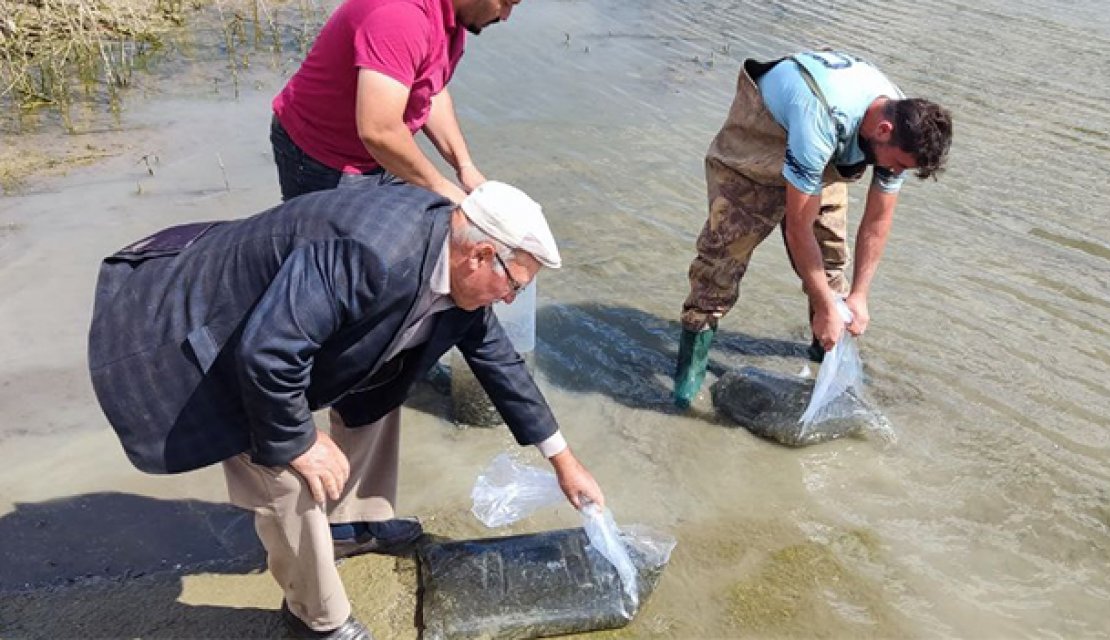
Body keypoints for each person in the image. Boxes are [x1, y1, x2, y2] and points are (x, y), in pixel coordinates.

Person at [88, 182, 604, 639]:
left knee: (383, 386)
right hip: (208, 330)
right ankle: (317, 618)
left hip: (276, 331)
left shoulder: (453, 266)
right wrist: (303, 442)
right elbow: (266, 353)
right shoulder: (373, 253)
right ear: (480, 255)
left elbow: (501, 365)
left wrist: (564, 461)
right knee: (286, 471)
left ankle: (350, 523)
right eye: (515, 284)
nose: (513, 299)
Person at [672, 50, 953, 409]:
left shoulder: (902, 126)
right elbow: (797, 229)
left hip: (822, 152)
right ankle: (687, 378)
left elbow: (878, 221)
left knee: (832, 263)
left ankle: (826, 357)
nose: (896, 172)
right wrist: (823, 306)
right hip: (761, 138)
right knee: (721, 260)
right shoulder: (820, 118)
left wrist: (860, 296)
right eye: (897, 165)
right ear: (884, 131)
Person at [270, 0, 524, 203]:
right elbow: (379, 131)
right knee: (326, 257)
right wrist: (439, 186)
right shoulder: (400, 16)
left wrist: (464, 166)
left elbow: (430, 90)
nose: (506, 16)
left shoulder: (453, 16)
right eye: (506, 3)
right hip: (320, 153)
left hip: (377, 153)